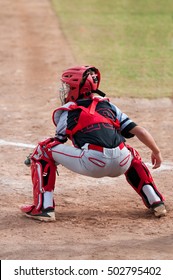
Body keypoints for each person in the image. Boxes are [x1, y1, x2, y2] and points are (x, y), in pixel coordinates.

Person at [21, 65, 166, 222]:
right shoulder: (109, 106)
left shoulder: (68, 112)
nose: (65, 89)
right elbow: (141, 132)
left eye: (68, 86)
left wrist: (35, 155)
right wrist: (156, 151)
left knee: (44, 149)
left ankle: (44, 208)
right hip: (122, 162)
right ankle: (156, 201)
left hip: (93, 163)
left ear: (76, 89)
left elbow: (57, 142)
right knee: (129, 151)